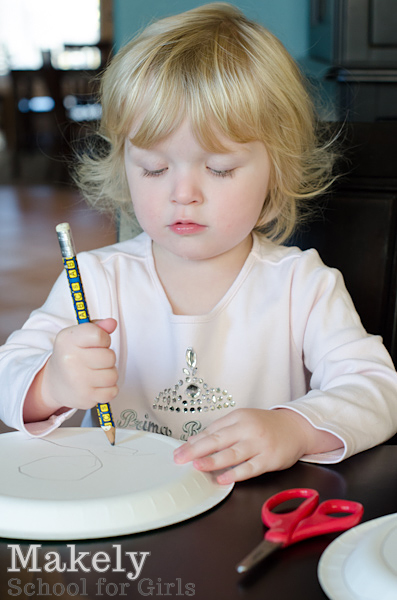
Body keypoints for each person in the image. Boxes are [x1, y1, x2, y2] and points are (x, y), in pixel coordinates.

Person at [1, 3, 396, 485]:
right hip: (123, 515)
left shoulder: (302, 285)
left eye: (220, 169)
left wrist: (293, 428)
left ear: (278, 171)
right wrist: (50, 384)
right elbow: (9, 374)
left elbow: (378, 388)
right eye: (154, 168)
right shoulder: (96, 279)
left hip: (250, 515)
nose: (182, 193)